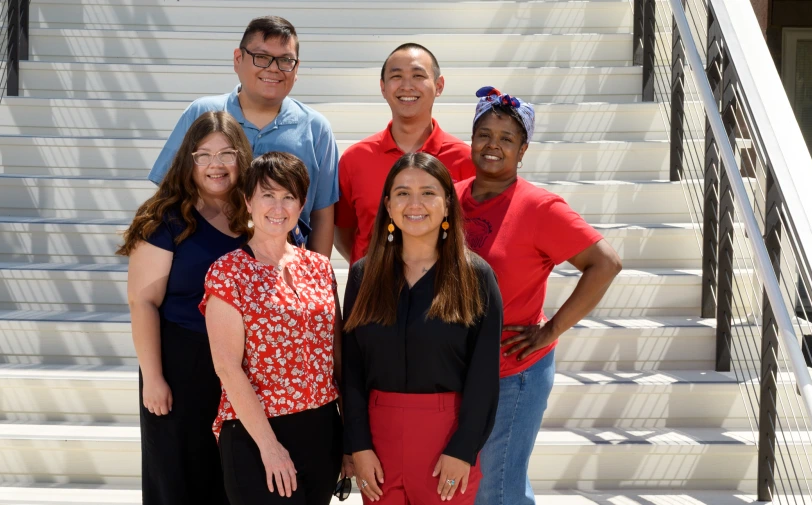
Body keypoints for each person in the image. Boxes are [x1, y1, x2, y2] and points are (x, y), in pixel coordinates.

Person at [458, 87, 622, 505]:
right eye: (484, 134)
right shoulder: (449, 196)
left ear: (523, 149)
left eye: (507, 138)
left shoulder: (539, 207)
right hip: (455, 370)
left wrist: (550, 331)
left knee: (499, 489)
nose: (493, 145)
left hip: (511, 371)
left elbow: (605, 263)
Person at [342, 152, 502, 504]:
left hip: (446, 443)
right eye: (402, 193)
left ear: (447, 204)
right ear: (387, 204)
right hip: (377, 443)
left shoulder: (476, 277)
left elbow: (484, 375)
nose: (415, 203)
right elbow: (351, 368)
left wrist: (463, 449)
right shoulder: (362, 275)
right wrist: (358, 445)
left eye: (428, 192)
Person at [117, 111, 252, 505]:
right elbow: (142, 301)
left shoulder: (256, 215)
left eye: (226, 153)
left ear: (242, 158)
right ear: (188, 161)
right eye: (204, 155)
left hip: (243, 368)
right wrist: (153, 377)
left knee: (229, 479)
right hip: (181, 364)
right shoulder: (166, 218)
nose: (216, 165)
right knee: (178, 481)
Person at [202, 152, 344, 505]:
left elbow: (336, 357)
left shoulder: (320, 268)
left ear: (301, 204)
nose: (278, 206)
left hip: (322, 432)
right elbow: (227, 367)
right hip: (257, 436)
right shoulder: (229, 272)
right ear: (248, 201)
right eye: (268, 195)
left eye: (288, 196)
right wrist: (270, 447)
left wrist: (348, 440)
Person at [149, 16, 338, 256]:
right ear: (238, 59)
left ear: (297, 68)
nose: (273, 68)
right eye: (261, 57)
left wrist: (316, 280)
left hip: (280, 271)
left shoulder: (316, 128)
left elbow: (322, 215)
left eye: (285, 60)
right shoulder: (203, 114)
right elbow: (168, 195)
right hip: (201, 262)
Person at [335, 43, 475, 264]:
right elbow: (343, 230)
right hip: (370, 293)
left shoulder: (466, 160)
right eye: (397, 76)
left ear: (439, 85)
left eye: (418, 75)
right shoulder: (354, 159)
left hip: (444, 292)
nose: (407, 86)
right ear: (383, 87)